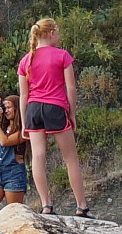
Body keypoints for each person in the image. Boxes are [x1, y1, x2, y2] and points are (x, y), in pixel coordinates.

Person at [17, 18, 91, 218]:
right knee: (70, 159)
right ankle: (81, 206)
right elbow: (71, 88)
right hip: (55, 107)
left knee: (38, 157)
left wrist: (24, 122)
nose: (58, 36)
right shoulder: (62, 56)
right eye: (57, 32)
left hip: (33, 109)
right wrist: (72, 113)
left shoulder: (26, 60)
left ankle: (46, 205)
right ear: (50, 33)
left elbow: (23, 95)